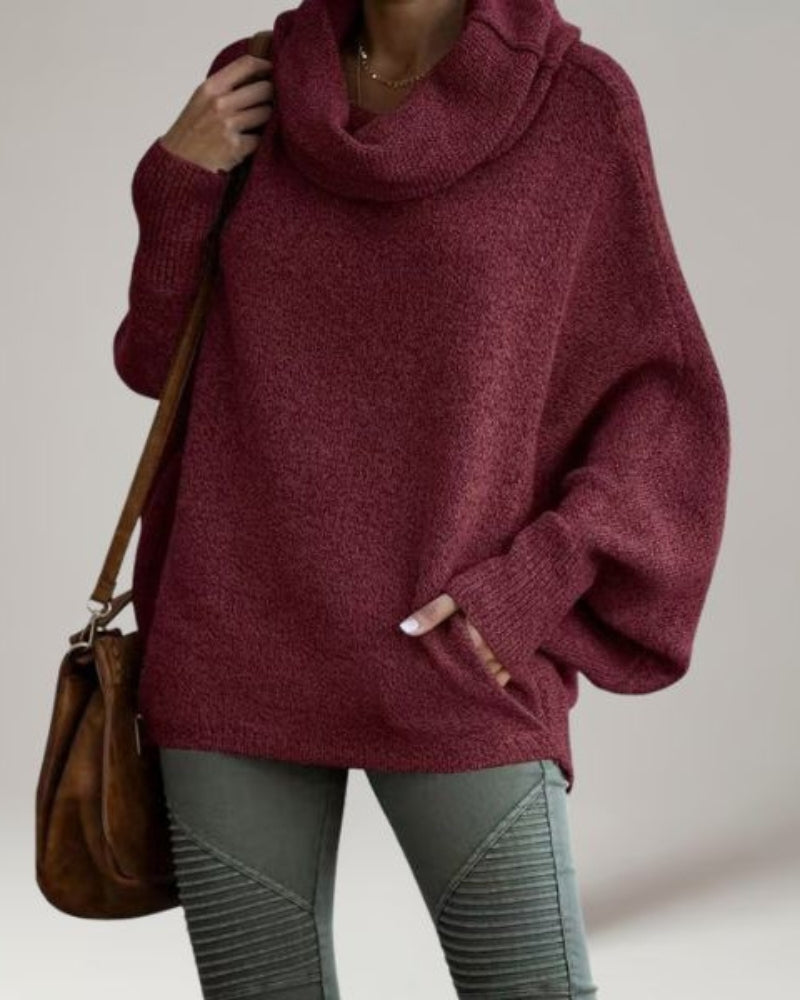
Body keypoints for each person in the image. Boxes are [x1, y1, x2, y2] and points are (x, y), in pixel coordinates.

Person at [112, 0, 730, 997]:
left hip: (448, 657)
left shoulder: (575, 104)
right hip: (234, 649)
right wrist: (178, 180)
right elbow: (156, 365)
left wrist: (531, 586)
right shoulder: (257, 83)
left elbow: (661, 401)